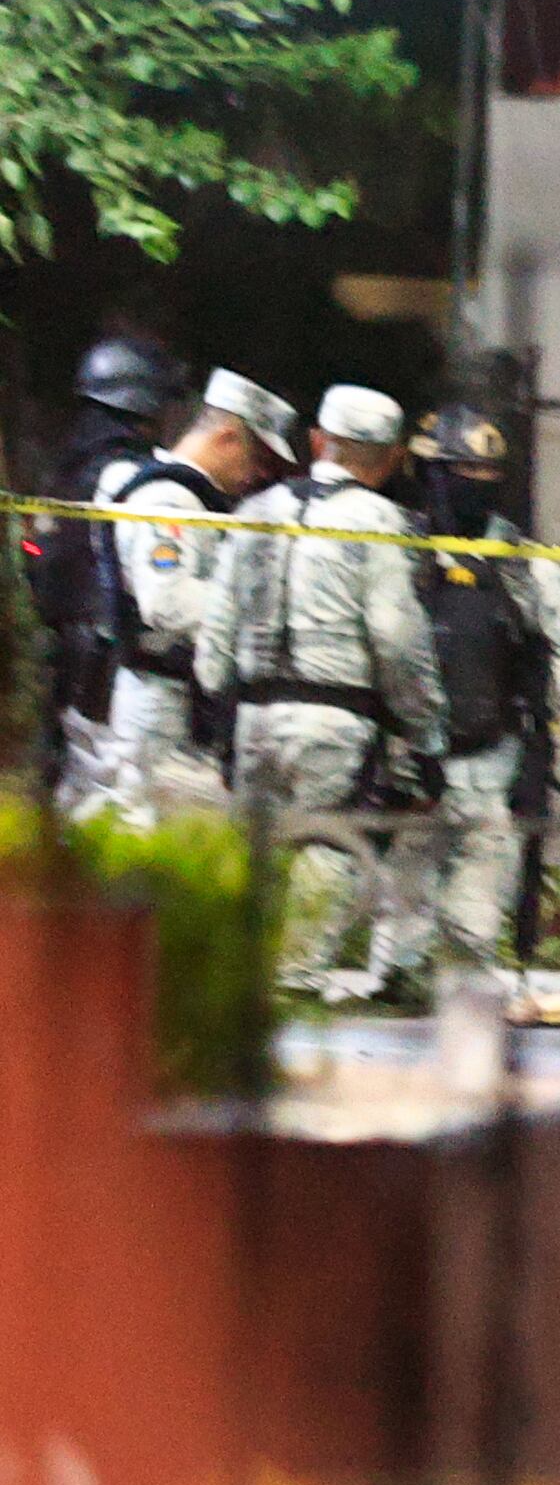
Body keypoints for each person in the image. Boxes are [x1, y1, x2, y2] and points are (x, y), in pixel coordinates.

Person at [209, 384, 448, 998]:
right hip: (335, 717)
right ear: (393, 457)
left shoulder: (255, 510)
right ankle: (292, 983)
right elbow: (396, 638)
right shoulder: (380, 523)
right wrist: (424, 731)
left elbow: (218, 622)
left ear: (318, 441)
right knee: (327, 846)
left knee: (254, 852)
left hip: (252, 715)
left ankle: (234, 982)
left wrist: (217, 703)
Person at [386, 404, 560, 983]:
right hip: (407, 777)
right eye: (463, 479)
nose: (474, 494)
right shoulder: (388, 548)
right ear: (430, 476)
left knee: (475, 943)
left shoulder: (523, 567)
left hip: (491, 771)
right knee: (399, 948)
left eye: (487, 483)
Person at [65, 364, 297, 818]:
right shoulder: (169, 500)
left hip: (173, 698)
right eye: (260, 458)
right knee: (146, 827)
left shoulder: (192, 498)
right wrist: (257, 610)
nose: (259, 474)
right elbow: (166, 603)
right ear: (228, 436)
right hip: (157, 698)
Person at [30, 329, 184, 782]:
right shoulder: (131, 477)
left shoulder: (65, 470)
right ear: (145, 407)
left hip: (59, 651)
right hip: (105, 661)